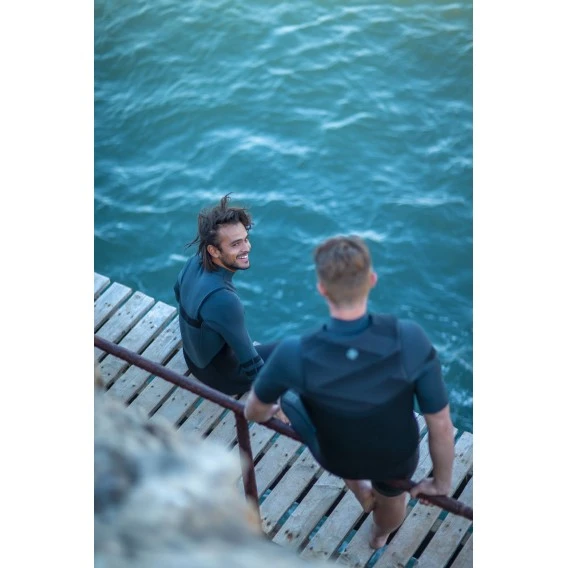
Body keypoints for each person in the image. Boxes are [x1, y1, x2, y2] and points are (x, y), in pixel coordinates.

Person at [244, 235, 455, 549]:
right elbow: (440, 426)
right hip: (395, 458)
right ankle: (380, 535)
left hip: (338, 456)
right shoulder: (410, 338)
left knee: (289, 398)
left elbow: (253, 411)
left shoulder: (294, 352)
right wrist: (440, 483)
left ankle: (358, 486)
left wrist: (273, 409)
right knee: (392, 495)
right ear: (372, 280)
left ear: (322, 289)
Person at [174, 194, 278, 396]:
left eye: (246, 239)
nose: (247, 248)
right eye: (235, 244)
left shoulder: (193, 263)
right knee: (298, 352)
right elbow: (252, 364)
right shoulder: (224, 300)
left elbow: (178, 294)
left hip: (193, 360)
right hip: (222, 378)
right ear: (214, 250)